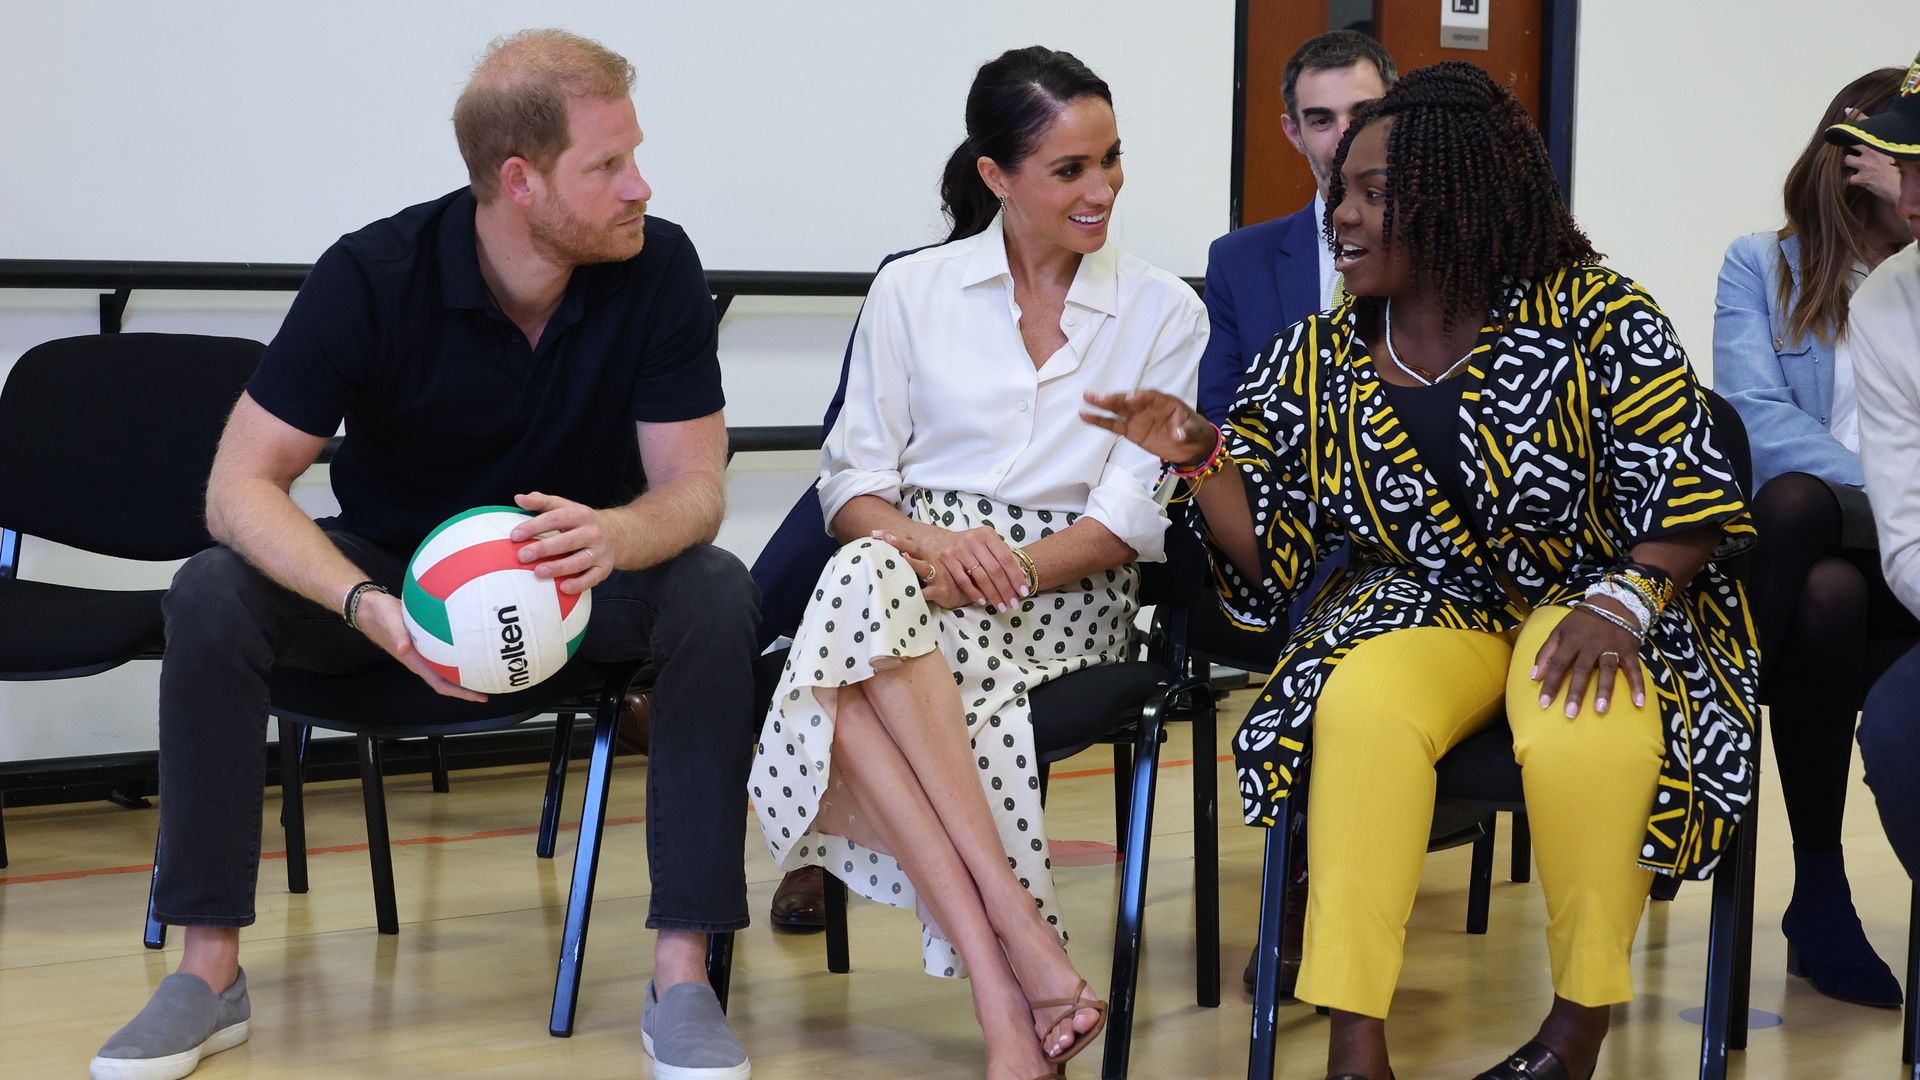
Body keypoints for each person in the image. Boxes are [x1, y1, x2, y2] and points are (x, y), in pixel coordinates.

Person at [89, 30, 760, 1080]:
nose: (641, 184)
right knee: (212, 593)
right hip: (395, 591)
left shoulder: (658, 262)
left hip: (572, 584)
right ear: (519, 179)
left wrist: (617, 533)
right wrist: (363, 603)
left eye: (636, 154)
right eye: (608, 165)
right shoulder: (374, 272)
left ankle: (684, 977)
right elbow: (237, 488)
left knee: (714, 593)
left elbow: (696, 487)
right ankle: (207, 973)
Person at [1084, 62, 1758, 1080]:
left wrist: (1624, 602)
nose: (1340, 220)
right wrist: (1197, 454)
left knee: (1582, 711)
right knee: (1356, 705)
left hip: (1595, 594)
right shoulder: (1321, 356)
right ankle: (1356, 1046)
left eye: (1371, 195)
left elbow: (1688, 490)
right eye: (1336, 196)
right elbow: (1269, 549)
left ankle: (1574, 1034)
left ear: (1458, 198)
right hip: (1424, 604)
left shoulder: (1598, 315)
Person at [749, 46, 1204, 1080]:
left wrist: (1001, 568)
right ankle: (1020, 973)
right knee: (865, 584)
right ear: (997, 177)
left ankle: (1016, 989)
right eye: (1071, 170)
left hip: (1066, 591)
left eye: (1112, 161)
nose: (1103, 191)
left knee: (839, 681)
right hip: (915, 571)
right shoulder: (912, 289)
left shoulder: (1164, 310)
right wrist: (935, 548)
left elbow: (1127, 523)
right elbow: (850, 488)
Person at [1713, 65, 1915, 1008]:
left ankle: (1708, 720)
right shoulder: (1761, 263)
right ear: (1848, 161)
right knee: (1802, 530)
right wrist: (1878, 488)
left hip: (1912, 549)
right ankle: (1821, 885)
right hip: (1828, 559)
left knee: (1798, 515)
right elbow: (1751, 419)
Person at [1197, 28, 1395, 425]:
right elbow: (1224, 424)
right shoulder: (1236, 263)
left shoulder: (1447, 255)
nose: (1346, 136)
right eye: (1322, 120)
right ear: (1295, 133)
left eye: (1363, 113)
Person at [1841, 51, 1920, 885]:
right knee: (1898, 725)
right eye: (1903, 167)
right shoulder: (1887, 303)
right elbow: (1906, 540)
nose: (1910, 202)